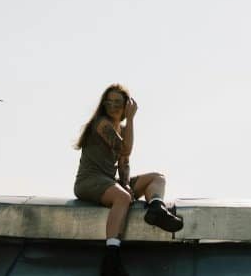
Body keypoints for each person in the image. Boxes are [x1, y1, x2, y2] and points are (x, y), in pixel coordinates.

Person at [74, 83, 183, 276]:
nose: (112, 106)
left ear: (126, 104)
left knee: (157, 178)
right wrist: (132, 119)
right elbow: (125, 149)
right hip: (89, 181)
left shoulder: (123, 130)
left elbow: (124, 161)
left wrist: (125, 183)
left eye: (117, 102)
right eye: (108, 102)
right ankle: (111, 257)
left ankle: (156, 209)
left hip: (110, 181)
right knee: (123, 198)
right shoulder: (102, 124)